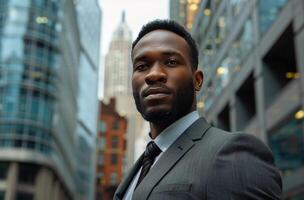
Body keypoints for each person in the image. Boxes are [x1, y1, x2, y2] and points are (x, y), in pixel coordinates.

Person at [114, 19, 282, 200]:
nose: (154, 74)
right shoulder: (136, 171)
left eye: (170, 62)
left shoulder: (233, 155)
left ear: (197, 80)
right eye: (141, 66)